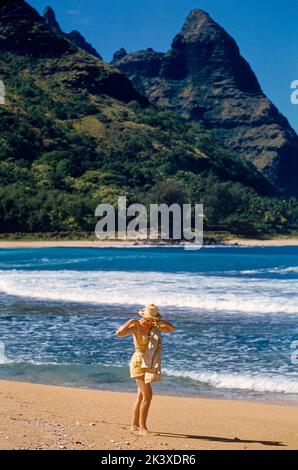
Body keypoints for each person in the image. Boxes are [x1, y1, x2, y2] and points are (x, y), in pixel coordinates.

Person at [116, 304, 176, 435]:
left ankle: (134, 425)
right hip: (138, 362)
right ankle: (142, 428)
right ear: (144, 316)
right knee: (148, 396)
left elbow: (172, 329)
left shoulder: (155, 326)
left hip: (149, 362)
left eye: (154, 318)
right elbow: (119, 333)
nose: (152, 320)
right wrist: (130, 321)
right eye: (151, 318)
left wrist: (161, 321)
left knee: (141, 395)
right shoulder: (136, 326)